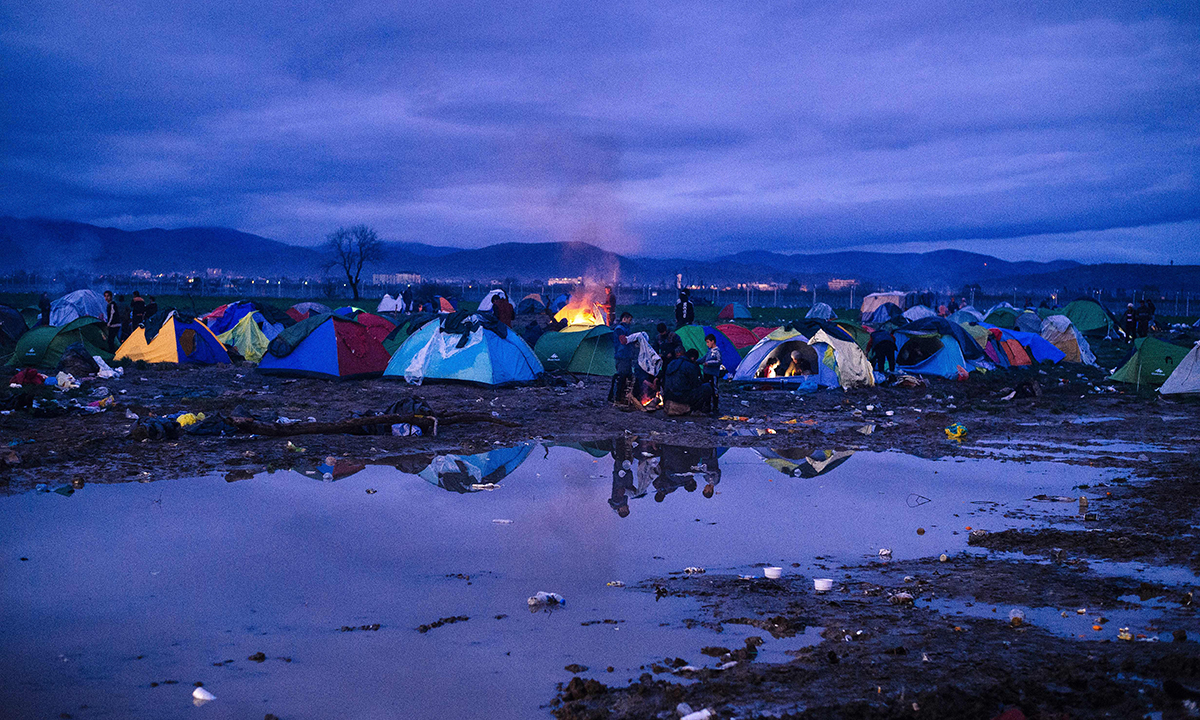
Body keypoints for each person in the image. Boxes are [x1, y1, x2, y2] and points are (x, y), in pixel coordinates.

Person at [663, 348, 715, 415]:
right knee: (707, 387)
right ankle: (697, 409)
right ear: (693, 358)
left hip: (668, 395)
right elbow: (695, 384)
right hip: (680, 396)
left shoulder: (671, 363)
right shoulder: (690, 366)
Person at [610, 312, 636, 405]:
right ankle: (617, 398)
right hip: (622, 357)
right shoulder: (619, 329)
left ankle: (624, 397)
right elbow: (623, 341)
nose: (630, 322)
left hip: (627, 356)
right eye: (629, 320)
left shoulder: (626, 329)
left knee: (627, 377)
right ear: (624, 319)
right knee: (622, 377)